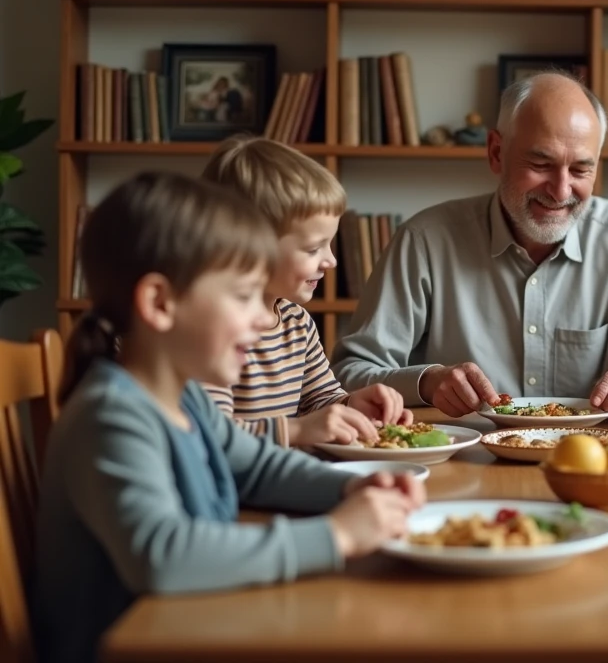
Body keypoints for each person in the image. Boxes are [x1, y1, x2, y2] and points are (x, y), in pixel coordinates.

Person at [33, 171, 425, 663]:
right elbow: (165, 557)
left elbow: (259, 467)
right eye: (243, 296)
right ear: (159, 303)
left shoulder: (185, 401)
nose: (264, 318)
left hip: (196, 625)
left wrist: (353, 489)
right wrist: (338, 534)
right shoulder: (111, 417)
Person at [330, 71, 608, 418]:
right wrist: (427, 382)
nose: (561, 190)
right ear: (496, 153)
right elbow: (348, 373)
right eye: (540, 163)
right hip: (463, 465)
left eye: (581, 170)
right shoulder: (424, 240)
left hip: (591, 459)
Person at [200, 135, 411, 448]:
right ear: (248, 246)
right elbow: (212, 435)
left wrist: (353, 407)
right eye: (313, 248)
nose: (331, 261)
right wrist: (296, 432)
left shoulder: (295, 321)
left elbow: (318, 399)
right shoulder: (209, 329)